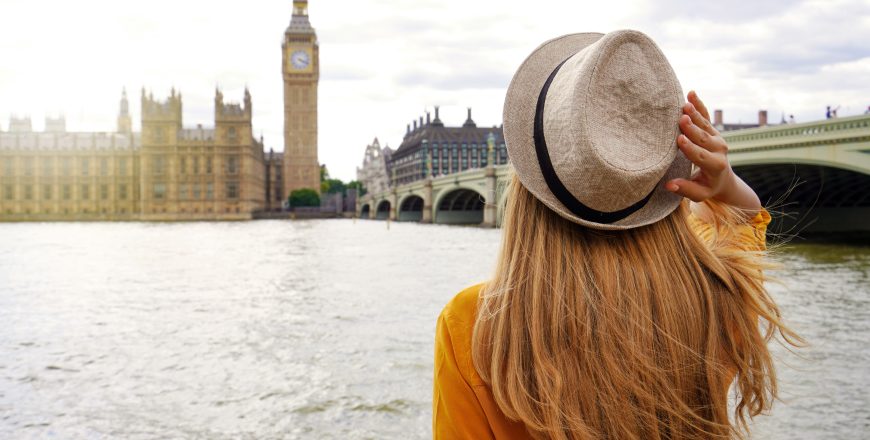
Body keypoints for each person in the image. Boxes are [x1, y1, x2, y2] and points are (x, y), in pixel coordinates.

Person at [433, 30, 801, 440]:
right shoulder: (715, 292)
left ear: (525, 182)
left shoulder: (474, 322)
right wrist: (728, 185)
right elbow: (744, 228)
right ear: (665, 170)